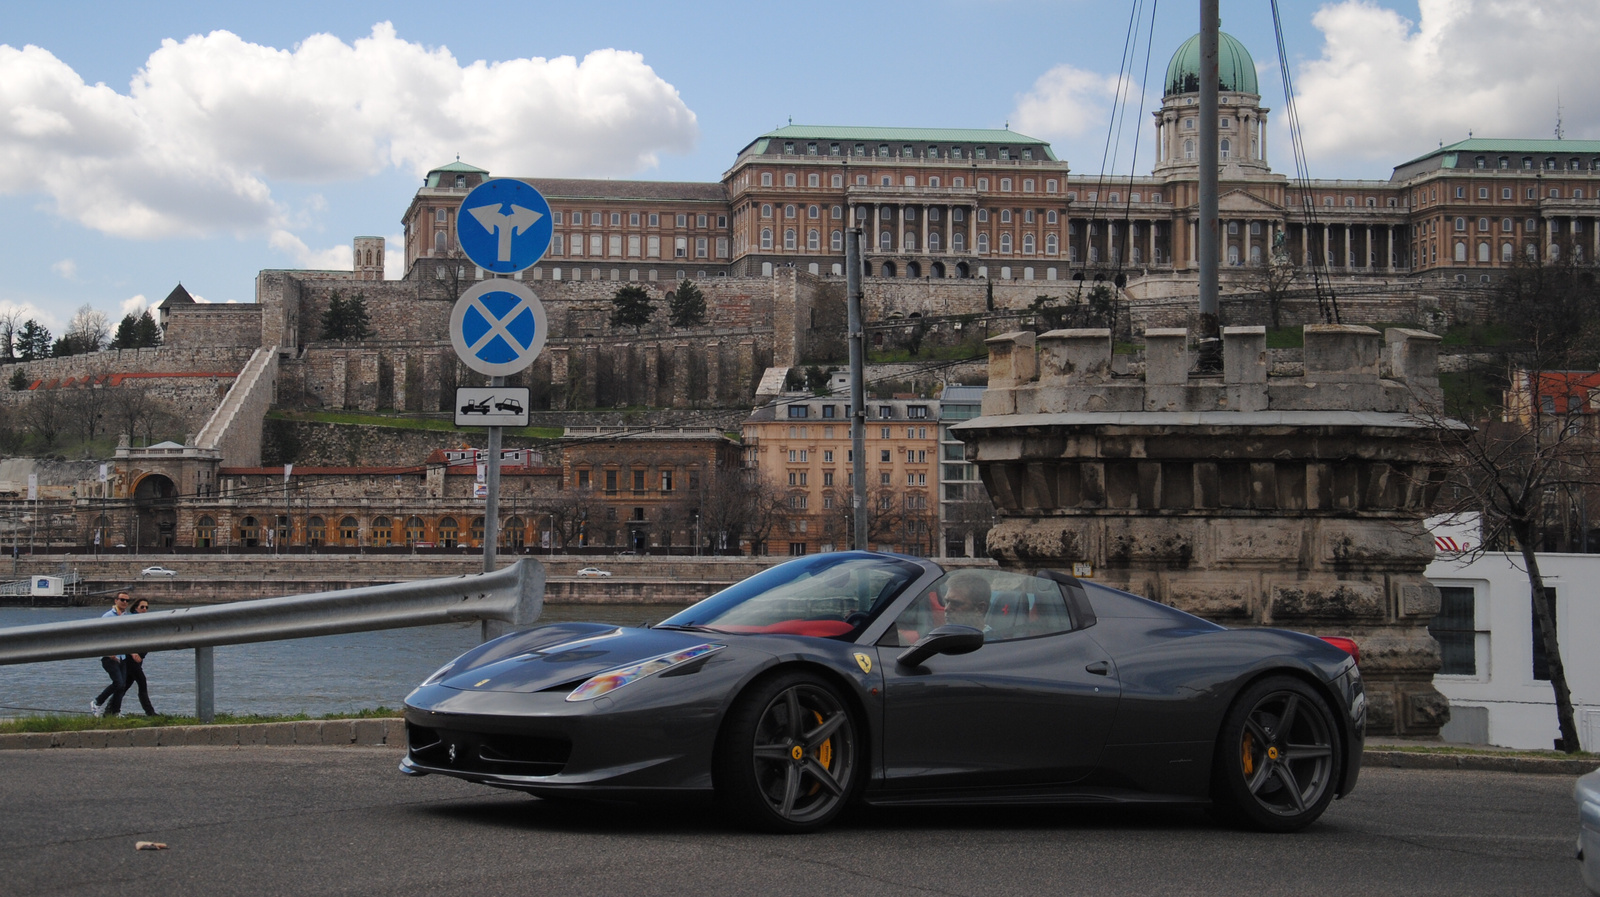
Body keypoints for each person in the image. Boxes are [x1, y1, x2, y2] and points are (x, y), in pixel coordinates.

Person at [89, 592, 131, 717]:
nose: (124, 602)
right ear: (116, 601)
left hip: (122, 656)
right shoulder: (108, 616)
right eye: (122, 600)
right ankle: (97, 702)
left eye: (127, 600)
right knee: (118, 683)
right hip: (109, 657)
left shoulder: (126, 616)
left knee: (121, 686)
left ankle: (115, 712)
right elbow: (101, 635)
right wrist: (109, 653)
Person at [124, 598, 159, 716]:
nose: (145, 609)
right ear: (135, 608)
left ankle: (110, 710)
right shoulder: (132, 620)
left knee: (123, 686)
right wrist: (133, 653)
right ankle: (150, 712)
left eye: (146, 607)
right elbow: (126, 638)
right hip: (131, 659)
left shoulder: (143, 621)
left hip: (138, 660)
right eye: (142, 607)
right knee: (142, 683)